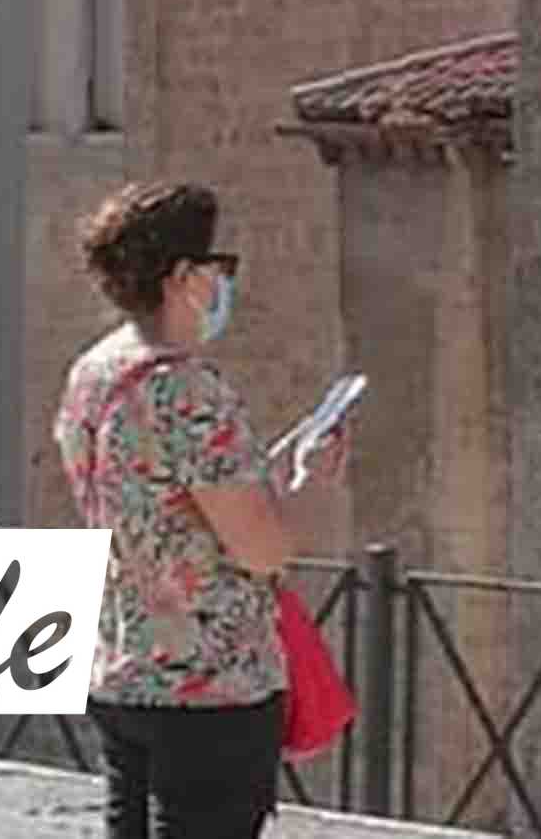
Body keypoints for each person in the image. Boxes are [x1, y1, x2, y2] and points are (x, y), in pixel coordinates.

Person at [55, 180, 338, 839]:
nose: (224, 282)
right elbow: (263, 549)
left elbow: (156, 501)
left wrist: (262, 472)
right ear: (184, 276)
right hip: (208, 684)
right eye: (220, 265)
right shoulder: (186, 389)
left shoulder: (95, 373)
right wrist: (313, 486)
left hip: (122, 668)